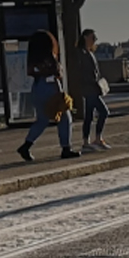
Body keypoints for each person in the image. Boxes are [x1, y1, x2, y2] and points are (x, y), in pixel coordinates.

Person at [16, 30, 79, 161]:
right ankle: (66, 148)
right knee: (65, 117)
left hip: (38, 88)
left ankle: (27, 145)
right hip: (49, 88)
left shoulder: (33, 58)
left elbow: (32, 72)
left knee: (42, 120)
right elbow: (57, 73)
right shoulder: (49, 57)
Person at [70, 29, 112, 151]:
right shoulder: (81, 53)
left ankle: (87, 141)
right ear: (85, 37)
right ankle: (96, 139)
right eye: (92, 37)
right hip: (90, 88)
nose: (94, 40)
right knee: (103, 112)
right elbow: (80, 71)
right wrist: (92, 82)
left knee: (89, 115)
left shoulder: (89, 52)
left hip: (92, 88)